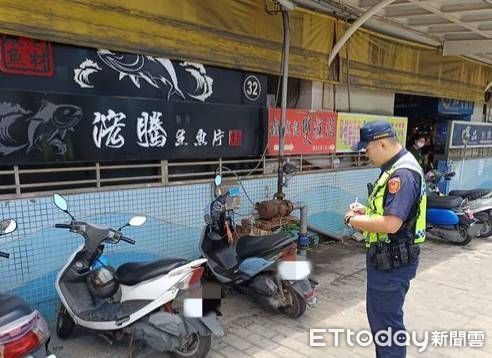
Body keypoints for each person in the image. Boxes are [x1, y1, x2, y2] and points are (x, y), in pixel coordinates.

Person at [345, 120, 427, 358]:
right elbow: (390, 214)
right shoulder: (396, 167)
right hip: (389, 259)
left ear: (381, 143)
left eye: (367, 148)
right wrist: (366, 212)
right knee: (382, 323)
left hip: (392, 263)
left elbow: (392, 224)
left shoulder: (401, 174)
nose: (366, 153)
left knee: (387, 327)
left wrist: (352, 220)